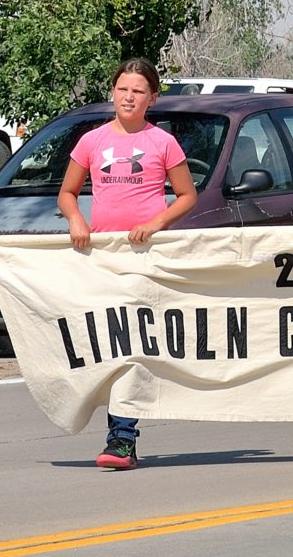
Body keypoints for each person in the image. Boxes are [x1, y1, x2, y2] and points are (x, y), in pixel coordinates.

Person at [56, 58, 199, 471]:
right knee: (108, 347)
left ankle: (122, 438)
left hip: (145, 259)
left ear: (152, 98)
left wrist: (155, 223)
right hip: (102, 258)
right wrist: (76, 219)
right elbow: (67, 193)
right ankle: (118, 431)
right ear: (112, 92)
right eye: (123, 89)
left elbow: (187, 196)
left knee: (131, 346)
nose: (129, 97)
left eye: (138, 90)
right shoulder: (92, 141)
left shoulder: (163, 143)